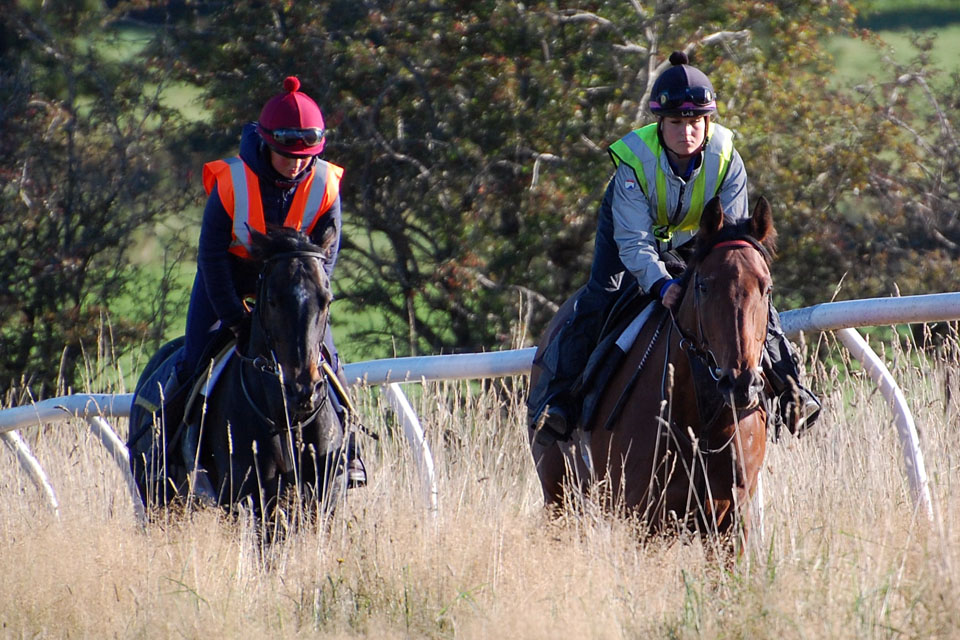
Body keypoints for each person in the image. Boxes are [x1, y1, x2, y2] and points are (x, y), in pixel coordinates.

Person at [528, 51, 820, 445]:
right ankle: (558, 402)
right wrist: (663, 286)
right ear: (659, 124)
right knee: (602, 297)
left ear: (708, 122)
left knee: (744, 294)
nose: (687, 132)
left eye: (696, 122)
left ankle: (791, 391)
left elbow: (730, 242)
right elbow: (634, 244)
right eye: (677, 123)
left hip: (695, 246)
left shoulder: (728, 159)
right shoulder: (634, 163)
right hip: (631, 242)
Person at [171, 75, 365, 486]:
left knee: (327, 360)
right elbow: (210, 256)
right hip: (229, 278)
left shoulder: (327, 184)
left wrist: (308, 304)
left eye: (304, 155)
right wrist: (237, 319)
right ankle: (176, 454)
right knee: (194, 359)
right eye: (285, 154)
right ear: (266, 144)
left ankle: (350, 455)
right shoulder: (231, 181)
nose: (296, 163)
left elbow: (326, 257)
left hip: (295, 286)